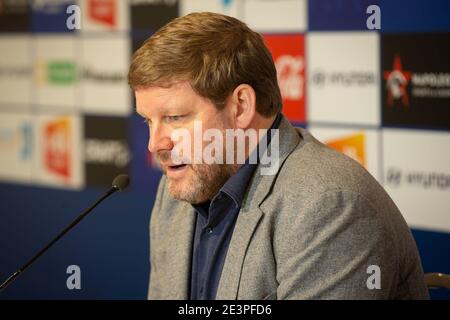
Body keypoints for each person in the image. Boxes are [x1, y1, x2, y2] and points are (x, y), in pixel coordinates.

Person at [128, 12, 429, 300]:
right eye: (148, 121)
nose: (155, 145)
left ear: (241, 106)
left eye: (176, 117)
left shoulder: (329, 205)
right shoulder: (174, 196)